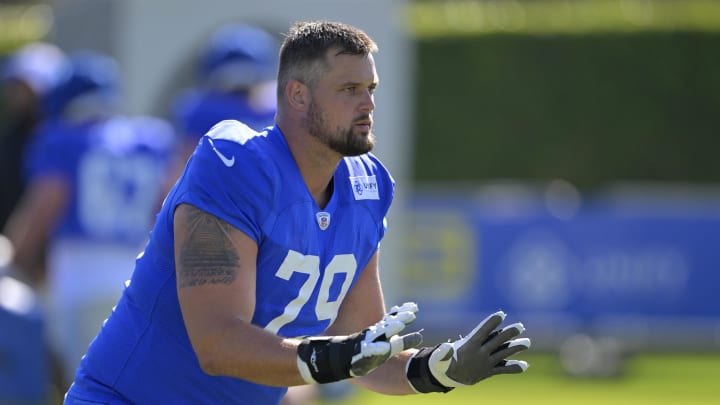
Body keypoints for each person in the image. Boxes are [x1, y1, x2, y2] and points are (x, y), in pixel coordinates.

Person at [64, 20, 530, 404]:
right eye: (349, 88)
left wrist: (438, 369)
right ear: (297, 95)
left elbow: (362, 350)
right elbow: (217, 343)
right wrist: (335, 358)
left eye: (371, 88)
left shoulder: (367, 188)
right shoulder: (235, 164)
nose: (367, 104)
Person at [2, 49, 177, 385]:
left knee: (91, 389)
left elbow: (43, 207)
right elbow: (168, 208)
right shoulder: (150, 139)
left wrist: (16, 262)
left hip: (82, 284)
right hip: (141, 280)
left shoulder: (62, 139)